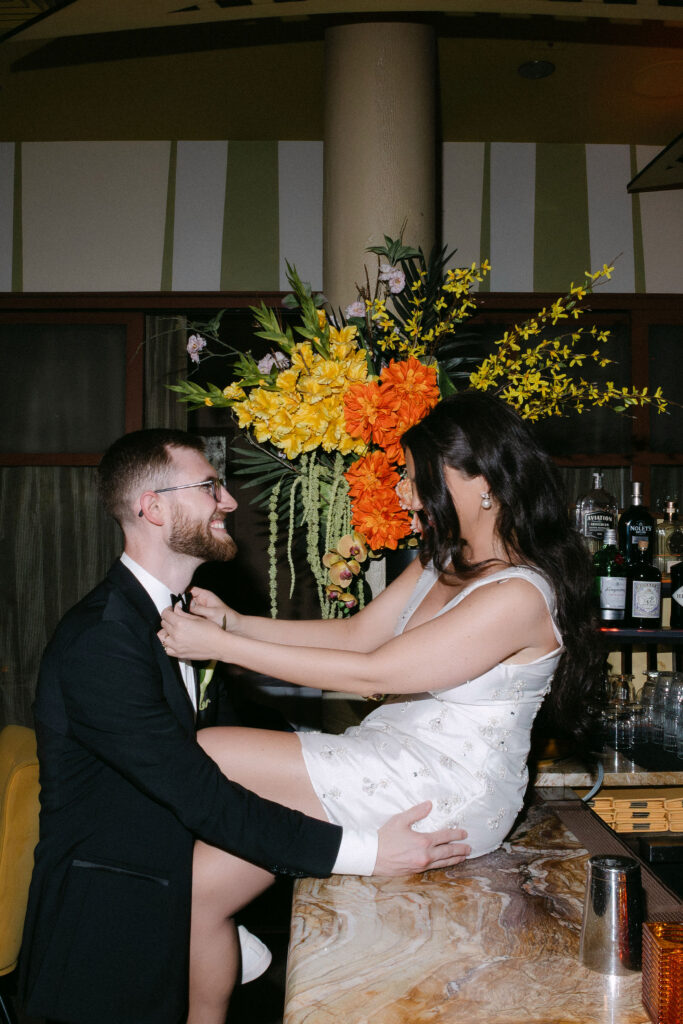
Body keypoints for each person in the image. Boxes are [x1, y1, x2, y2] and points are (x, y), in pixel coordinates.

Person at [159, 391, 603, 1023]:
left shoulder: (521, 593)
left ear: (478, 481)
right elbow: (356, 636)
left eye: (416, 478)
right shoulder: (438, 561)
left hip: (447, 789)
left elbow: (373, 674)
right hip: (388, 754)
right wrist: (237, 621)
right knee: (199, 894)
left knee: (209, 748)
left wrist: (222, 646)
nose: (403, 495)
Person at [18, 428, 470, 1024]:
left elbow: (235, 762)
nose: (228, 501)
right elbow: (201, 794)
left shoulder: (184, 618)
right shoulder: (100, 640)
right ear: (152, 509)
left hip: (174, 901)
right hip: (109, 935)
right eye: (210, 487)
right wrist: (364, 851)